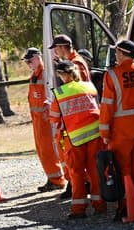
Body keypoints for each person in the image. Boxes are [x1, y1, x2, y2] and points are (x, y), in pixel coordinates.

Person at [99, 38, 134, 216]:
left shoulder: (112, 75)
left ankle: (126, 205)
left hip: (121, 130)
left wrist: (104, 131)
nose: (115, 56)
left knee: (123, 167)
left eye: (117, 53)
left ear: (122, 54)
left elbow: (107, 105)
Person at [48, 60, 106, 219]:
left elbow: (54, 118)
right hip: (95, 135)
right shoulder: (89, 86)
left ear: (62, 75)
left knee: (77, 174)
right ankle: (100, 205)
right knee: (96, 172)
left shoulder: (60, 93)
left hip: (75, 139)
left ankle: (79, 209)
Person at [24, 48, 65, 192]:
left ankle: (57, 179)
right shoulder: (34, 75)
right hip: (37, 121)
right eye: (27, 62)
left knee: (48, 151)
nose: (29, 64)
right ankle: (52, 177)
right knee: (42, 151)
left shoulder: (45, 74)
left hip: (45, 120)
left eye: (30, 60)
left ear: (38, 57)